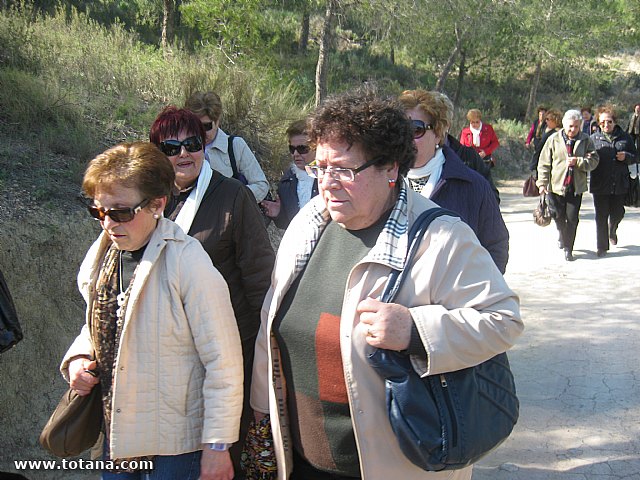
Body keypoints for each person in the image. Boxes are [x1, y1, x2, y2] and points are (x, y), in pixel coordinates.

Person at [250, 91, 523, 480]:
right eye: (321, 167)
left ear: (391, 168)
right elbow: (271, 320)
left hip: (394, 464)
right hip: (302, 463)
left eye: (344, 170)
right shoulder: (309, 223)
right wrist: (262, 405)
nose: (327, 183)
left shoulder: (441, 237)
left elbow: (503, 320)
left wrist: (416, 331)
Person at [60, 142, 243, 480]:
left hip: (176, 446)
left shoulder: (189, 262)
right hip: (118, 433)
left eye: (120, 211)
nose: (107, 223)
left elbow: (224, 362)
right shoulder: (102, 256)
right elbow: (102, 324)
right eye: (98, 211)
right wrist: (78, 358)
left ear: (158, 204)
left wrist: (217, 447)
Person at [149, 106, 275, 478]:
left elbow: (260, 277)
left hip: (226, 352)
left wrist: (265, 360)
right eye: (171, 147)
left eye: (192, 143)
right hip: (167, 352)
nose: (184, 153)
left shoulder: (232, 196)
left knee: (217, 457)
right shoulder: (147, 199)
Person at [398, 89, 509, 273]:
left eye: (416, 129)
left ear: (438, 133)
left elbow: (495, 246)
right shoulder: (378, 181)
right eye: (401, 129)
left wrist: (474, 295)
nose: (407, 138)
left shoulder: (473, 186)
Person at [184, 91, 270, 202]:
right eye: (195, 126)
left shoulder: (235, 146)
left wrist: (233, 199)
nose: (201, 132)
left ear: (217, 121)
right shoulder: (181, 149)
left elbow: (261, 185)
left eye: (206, 126)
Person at [537, 110, 599, 261]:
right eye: (570, 126)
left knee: (572, 219)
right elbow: (544, 163)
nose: (573, 130)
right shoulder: (553, 140)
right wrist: (542, 183)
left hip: (575, 187)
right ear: (564, 125)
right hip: (556, 186)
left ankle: (568, 248)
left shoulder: (586, 140)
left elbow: (594, 160)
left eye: (576, 127)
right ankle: (561, 234)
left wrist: (578, 161)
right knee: (558, 216)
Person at [589, 106, 638, 257]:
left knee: (618, 212)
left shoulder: (625, 137)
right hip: (600, 183)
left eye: (609, 122)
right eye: (602, 122)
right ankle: (602, 247)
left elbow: (636, 157)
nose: (606, 125)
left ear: (615, 122)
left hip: (619, 182)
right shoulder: (592, 139)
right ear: (598, 123)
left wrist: (627, 157)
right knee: (601, 215)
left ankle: (613, 228)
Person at [260, 120, 319, 229]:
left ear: (317, 147)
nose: (296, 154)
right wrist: (278, 213)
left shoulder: (331, 177)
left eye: (302, 149)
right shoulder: (286, 182)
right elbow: (287, 225)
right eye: (292, 149)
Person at [529, 108, 562, 176]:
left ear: (555, 120)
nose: (546, 121)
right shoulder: (546, 128)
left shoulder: (558, 133)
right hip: (541, 159)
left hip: (551, 162)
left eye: (548, 119)